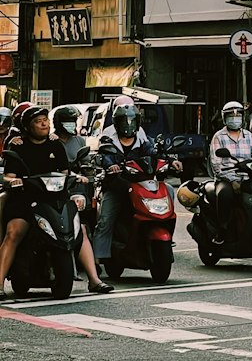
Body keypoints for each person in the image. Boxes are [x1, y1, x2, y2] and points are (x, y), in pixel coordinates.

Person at [0, 106, 83, 299]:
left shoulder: (55, 144)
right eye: (38, 121)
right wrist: (15, 181)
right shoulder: (18, 145)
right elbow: (9, 176)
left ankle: (95, 279)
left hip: (52, 199)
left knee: (80, 229)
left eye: (45, 119)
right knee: (14, 233)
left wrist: (75, 178)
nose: (44, 124)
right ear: (28, 127)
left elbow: (64, 173)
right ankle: (0, 283)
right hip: (24, 200)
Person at [50, 104, 113, 295]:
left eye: (73, 121)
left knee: (84, 226)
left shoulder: (79, 141)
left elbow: (85, 164)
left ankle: (94, 275)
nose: (72, 125)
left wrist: (86, 174)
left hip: (74, 190)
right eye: (68, 122)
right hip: (51, 193)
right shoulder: (50, 141)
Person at [92, 98, 150, 265]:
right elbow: (104, 155)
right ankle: (97, 258)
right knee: (106, 219)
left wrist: (167, 161)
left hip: (139, 183)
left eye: (131, 119)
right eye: (124, 119)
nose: (128, 123)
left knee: (167, 190)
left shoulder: (141, 134)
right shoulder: (108, 134)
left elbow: (151, 151)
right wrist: (112, 166)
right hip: (115, 185)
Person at [208, 100, 252, 241]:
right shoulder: (219, 137)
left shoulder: (248, 136)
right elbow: (217, 165)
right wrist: (232, 180)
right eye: (231, 116)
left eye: (238, 115)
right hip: (226, 178)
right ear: (225, 118)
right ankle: (223, 229)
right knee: (225, 194)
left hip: (248, 176)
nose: (235, 119)